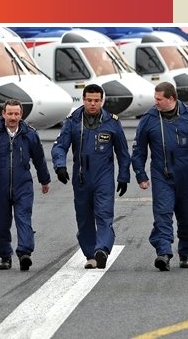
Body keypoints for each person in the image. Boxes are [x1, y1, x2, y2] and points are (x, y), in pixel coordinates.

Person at [131, 81, 188, 271]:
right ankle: (163, 253)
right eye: (155, 98)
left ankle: (185, 252)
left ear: (171, 99)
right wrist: (140, 174)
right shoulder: (149, 119)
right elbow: (138, 150)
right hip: (162, 174)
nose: (156, 102)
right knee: (162, 214)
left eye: (159, 99)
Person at [51, 83, 131, 269]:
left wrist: (123, 176)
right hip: (81, 178)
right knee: (84, 218)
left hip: (103, 177)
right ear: (83, 100)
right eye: (89, 100)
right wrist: (59, 166)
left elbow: (123, 153)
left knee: (104, 213)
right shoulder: (73, 121)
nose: (92, 104)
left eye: (96, 100)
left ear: (102, 101)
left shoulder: (112, 122)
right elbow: (60, 146)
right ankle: (91, 255)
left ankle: (102, 249)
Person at [0, 99, 51, 271]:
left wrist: (44, 180)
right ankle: (5, 255)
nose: (13, 117)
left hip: (23, 186)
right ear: (3, 114)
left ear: (21, 115)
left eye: (16, 114)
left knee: (23, 219)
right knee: (0, 225)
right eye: (10, 113)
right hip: (0, 187)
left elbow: (39, 159)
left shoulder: (30, 134)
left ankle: (24, 253)